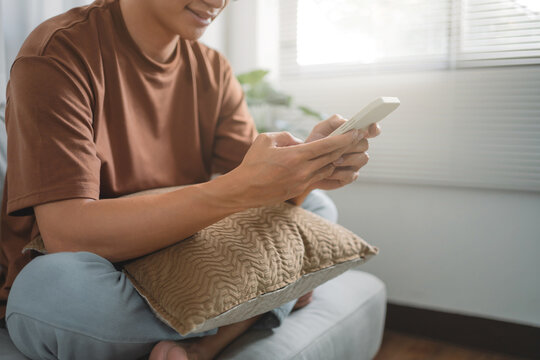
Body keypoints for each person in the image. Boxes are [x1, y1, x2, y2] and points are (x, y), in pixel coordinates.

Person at [0, 0, 380, 359]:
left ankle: (210, 342)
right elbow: (69, 236)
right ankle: (264, 308)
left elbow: (261, 204)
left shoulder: (213, 68)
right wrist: (238, 190)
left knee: (316, 206)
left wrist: (301, 173)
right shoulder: (57, 53)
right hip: (99, 266)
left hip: (177, 252)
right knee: (51, 292)